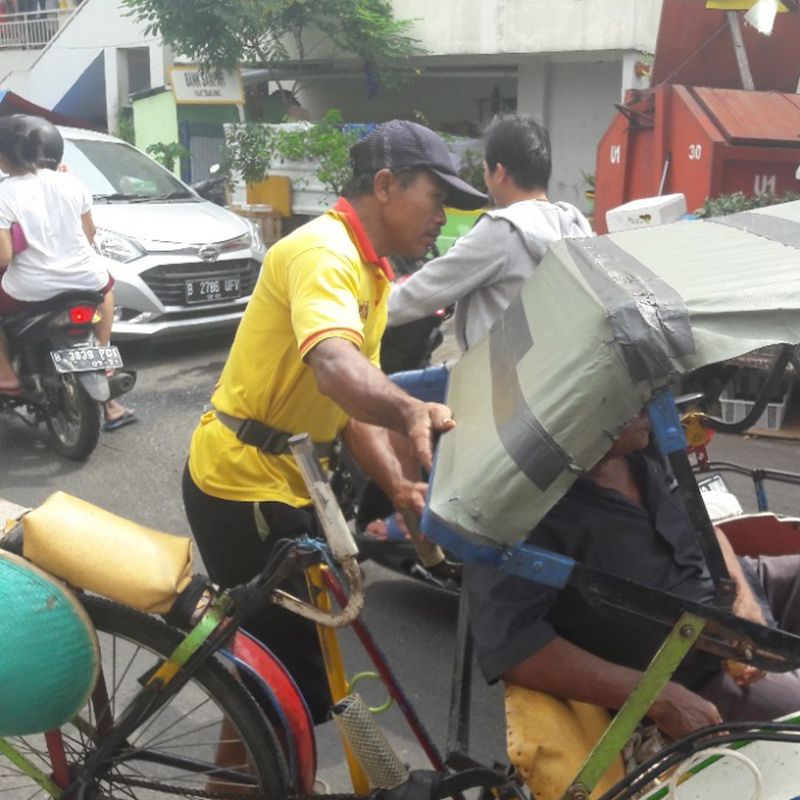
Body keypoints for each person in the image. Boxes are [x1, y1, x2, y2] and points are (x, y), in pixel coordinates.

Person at [181, 119, 487, 721]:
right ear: (384, 185)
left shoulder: (371, 270)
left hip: (286, 481)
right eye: (436, 198)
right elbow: (333, 366)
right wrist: (409, 407)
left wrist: (398, 488)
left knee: (289, 680)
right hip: (241, 484)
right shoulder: (324, 253)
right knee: (281, 684)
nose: (442, 217)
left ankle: (258, 779)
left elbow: (352, 404)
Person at [464, 416, 800, 740]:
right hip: (687, 660)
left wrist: (745, 600)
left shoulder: (641, 444)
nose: (647, 404)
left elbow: (699, 522)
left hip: (743, 592)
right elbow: (518, 649)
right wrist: (658, 698)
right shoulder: (513, 504)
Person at [386, 113, 592, 353]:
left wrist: (365, 308)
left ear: (500, 173)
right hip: (552, 372)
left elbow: (421, 294)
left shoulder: (502, 230)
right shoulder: (574, 226)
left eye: (485, 170)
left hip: (499, 380)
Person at [0, 115, 135, 430]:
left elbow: (4, 254)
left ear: (3, 159)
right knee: (107, 288)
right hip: (87, 281)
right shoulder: (71, 181)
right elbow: (90, 234)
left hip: (30, 291)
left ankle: (6, 375)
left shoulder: (4, 193)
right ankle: (101, 354)